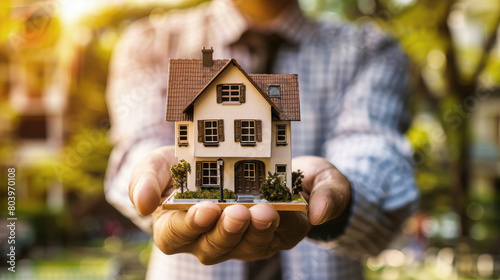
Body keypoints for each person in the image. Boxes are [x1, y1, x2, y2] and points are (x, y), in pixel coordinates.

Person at [105, 0, 418, 279]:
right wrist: (155, 183)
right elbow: (139, 144)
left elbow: (370, 146)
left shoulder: (369, 49)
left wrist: (343, 197)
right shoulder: (151, 43)